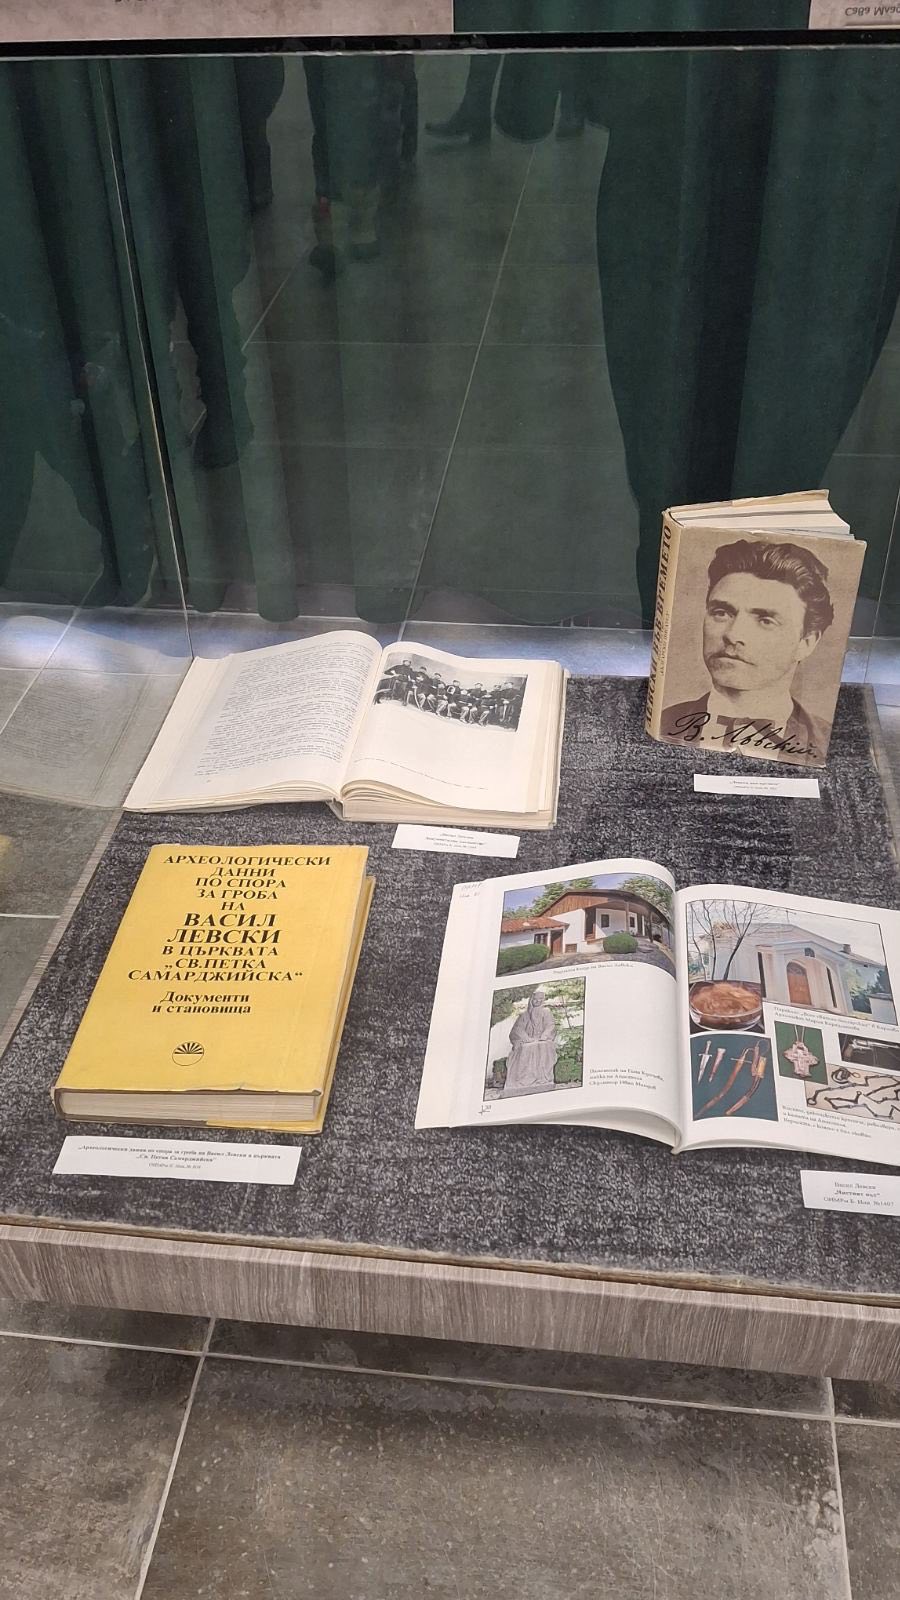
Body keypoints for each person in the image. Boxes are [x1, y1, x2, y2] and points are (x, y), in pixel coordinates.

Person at [661, 539, 834, 761]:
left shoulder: (827, 743)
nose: (733, 635)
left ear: (806, 642)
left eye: (765, 620)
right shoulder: (662, 724)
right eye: (722, 613)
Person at [503, 989, 559, 1095]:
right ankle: (524, 1078)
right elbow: (517, 1029)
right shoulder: (524, 1015)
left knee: (544, 1046)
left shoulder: (546, 1012)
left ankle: (542, 1077)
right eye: (535, 999)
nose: (538, 1001)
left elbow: (550, 1026)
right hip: (527, 1040)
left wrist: (544, 1035)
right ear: (531, 1000)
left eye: (540, 999)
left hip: (542, 1039)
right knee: (526, 1048)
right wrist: (526, 1038)